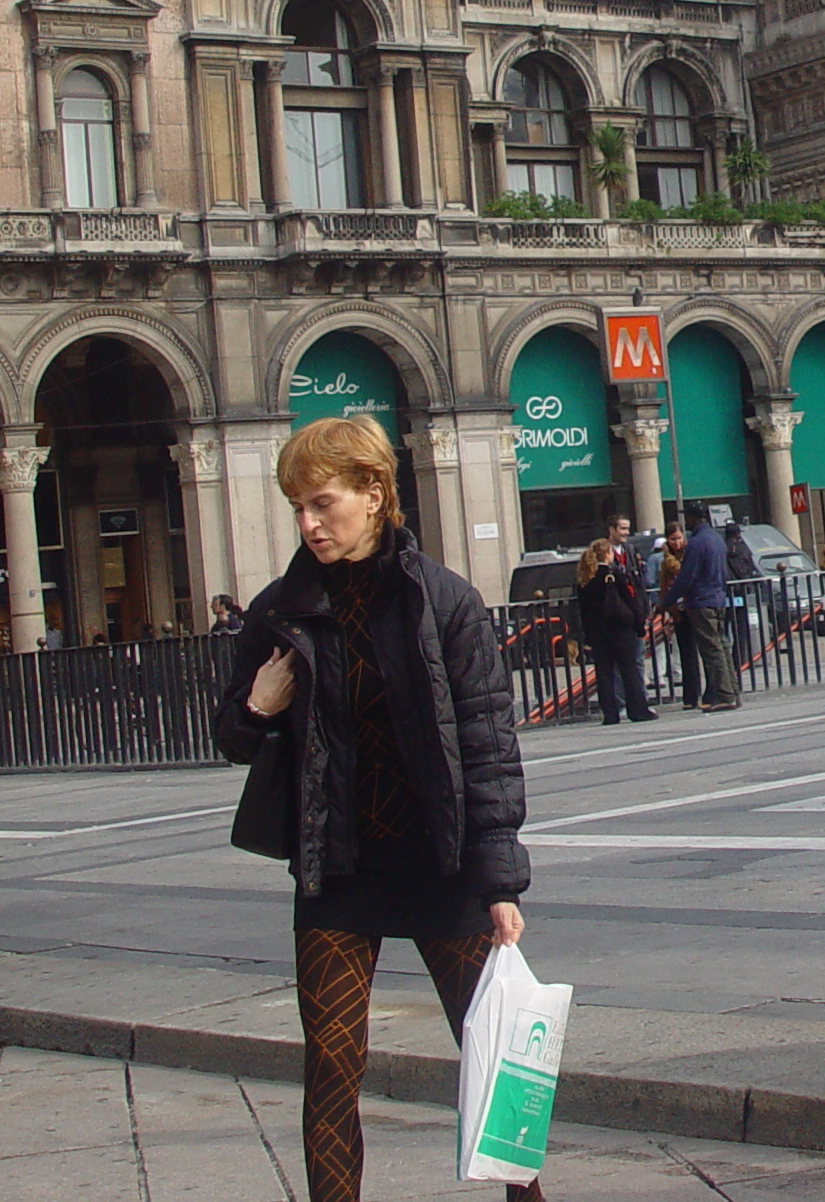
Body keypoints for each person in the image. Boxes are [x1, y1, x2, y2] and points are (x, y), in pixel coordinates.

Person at [212, 416, 538, 1202]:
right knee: (328, 1064)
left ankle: (526, 1197)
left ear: (374, 493)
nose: (308, 523)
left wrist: (500, 883)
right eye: (296, 508)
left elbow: (489, 746)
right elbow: (230, 735)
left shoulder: (445, 602)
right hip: (337, 867)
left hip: (440, 859)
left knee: (492, 1056)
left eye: (322, 503)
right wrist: (258, 705)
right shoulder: (279, 610)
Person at [573, 539, 656, 725]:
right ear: (606, 554)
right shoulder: (613, 574)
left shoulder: (585, 580)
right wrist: (639, 624)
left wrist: (587, 634)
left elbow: (583, 611)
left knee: (604, 673)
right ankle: (638, 709)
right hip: (620, 628)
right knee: (629, 669)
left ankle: (610, 713)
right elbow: (629, 600)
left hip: (597, 632)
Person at [661, 513, 737, 712]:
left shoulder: (696, 543)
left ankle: (724, 694)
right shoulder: (717, 539)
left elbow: (687, 577)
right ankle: (732, 691)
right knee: (722, 645)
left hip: (701, 601)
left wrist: (665, 603)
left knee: (712, 649)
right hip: (719, 598)